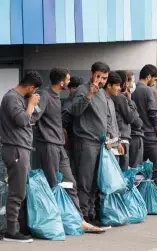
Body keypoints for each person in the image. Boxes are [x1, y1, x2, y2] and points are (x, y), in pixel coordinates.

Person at [32, 67, 104, 234]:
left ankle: (79, 220)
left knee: (70, 183)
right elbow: (34, 116)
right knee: (53, 184)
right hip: (48, 145)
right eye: (68, 79)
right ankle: (54, 223)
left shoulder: (57, 96)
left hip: (59, 146)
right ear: (62, 82)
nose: (71, 82)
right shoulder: (45, 95)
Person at [0, 71, 42, 242]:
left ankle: (20, 226)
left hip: (22, 148)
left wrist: (31, 105)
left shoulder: (21, 99)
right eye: (35, 90)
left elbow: (35, 116)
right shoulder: (11, 98)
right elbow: (22, 120)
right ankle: (11, 231)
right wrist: (30, 104)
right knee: (17, 192)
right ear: (31, 87)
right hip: (15, 149)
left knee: (22, 191)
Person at [71, 61, 110, 224]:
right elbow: (75, 110)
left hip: (100, 142)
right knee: (85, 181)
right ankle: (84, 215)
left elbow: (104, 118)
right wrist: (89, 95)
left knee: (95, 180)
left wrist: (108, 137)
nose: (101, 81)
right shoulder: (83, 89)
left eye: (104, 78)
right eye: (98, 76)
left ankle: (92, 213)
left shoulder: (102, 93)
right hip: (86, 141)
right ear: (91, 74)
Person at [111, 70, 140, 171]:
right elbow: (132, 118)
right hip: (121, 138)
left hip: (115, 138)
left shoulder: (111, 97)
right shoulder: (120, 98)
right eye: (128, 81)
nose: (130, 85)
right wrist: (130, 101)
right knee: (123, 171)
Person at [62, 76, 83, 158]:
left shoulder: (79, 103)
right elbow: (62, 127)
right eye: (75, 88)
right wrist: (67, 144)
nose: (78, 91)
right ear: (69, 89)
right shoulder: (68, 105)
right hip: (71, 142)